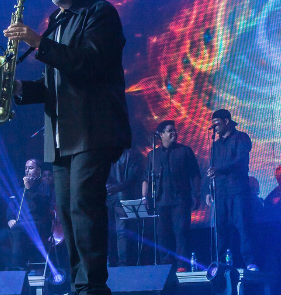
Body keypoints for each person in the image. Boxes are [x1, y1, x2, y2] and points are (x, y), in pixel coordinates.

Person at [6, 0, 132, 295]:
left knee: (84, 208)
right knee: (66, 211)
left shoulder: (100, 13)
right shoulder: (57, 21)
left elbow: (89, 64)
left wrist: (37, 42)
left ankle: (96, 294)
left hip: (93, 129)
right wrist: (19, 89)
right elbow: (54, 83)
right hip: (61, 135)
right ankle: (82, 292)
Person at [143, 121, 201, 271]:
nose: (174, 133)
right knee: (162, 235)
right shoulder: (153, 155)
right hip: (161, 201)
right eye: (169, 131)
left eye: (174, 130)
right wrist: (144, 197)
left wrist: (197, 194)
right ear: (161, 134)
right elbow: (146, 178)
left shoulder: (185, 151)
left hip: (180, 199)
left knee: (181, 232)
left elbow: (195, 174)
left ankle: (182, 265)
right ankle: (165, 266)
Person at [206, 109, 257, 271]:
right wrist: (210, 190)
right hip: (220, 191)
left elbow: (240, 161)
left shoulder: (241, 138)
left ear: (226, 121)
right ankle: (220, 263)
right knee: (220, 229)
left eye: (217, 123)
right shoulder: (215, 145)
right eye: (213, 125)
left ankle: (250, 262)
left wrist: (219, 170)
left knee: (243, 226)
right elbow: (212, 169)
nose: (214, 127)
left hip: (237, 190)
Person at [0, 159, 53, 270]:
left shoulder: (44, 187)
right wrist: (10, 219)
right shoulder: (21, 190)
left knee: (18, 229)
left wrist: (30, 189)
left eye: (31, 168)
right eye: (26, 168)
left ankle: (18, 268)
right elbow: (11, 208)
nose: (27, 171)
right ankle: (14, 265)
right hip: (20, 225)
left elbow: (43, 208)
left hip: (38, 224)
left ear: (38, 171)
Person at [106, 147, 141, 267]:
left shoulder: (129, 154)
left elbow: (133, 176)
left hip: (121, 197)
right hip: (109, 197)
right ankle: (113, 262)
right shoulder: (106, 152)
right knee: (112, 231)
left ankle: (121, 263)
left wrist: (118, 187)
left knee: (121, 231)